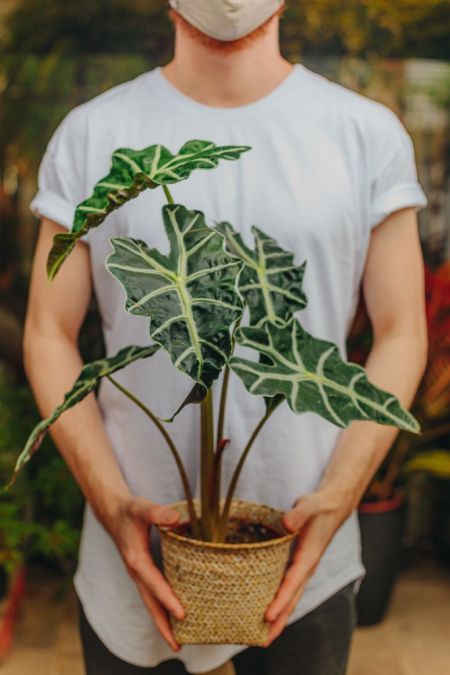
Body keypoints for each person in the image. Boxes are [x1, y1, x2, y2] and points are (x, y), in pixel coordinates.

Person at [24, 1, 428, 674]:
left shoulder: (365, 133)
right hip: (134, 555)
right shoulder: (92, 134)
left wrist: (339, 496)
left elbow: (403, 331)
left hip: (307, 554)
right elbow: (47, 331)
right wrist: (111, 502)